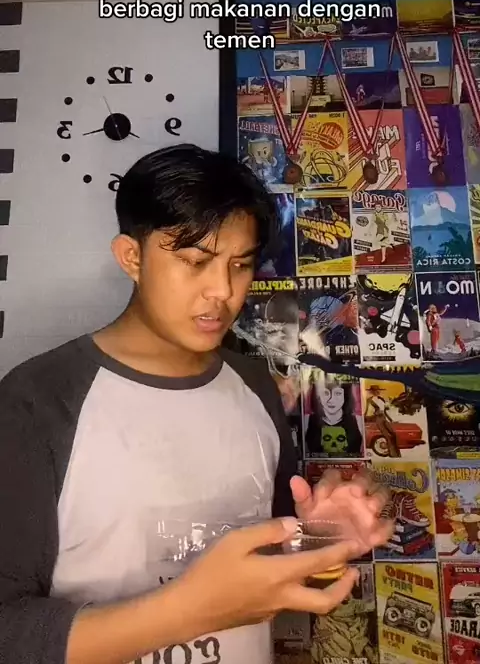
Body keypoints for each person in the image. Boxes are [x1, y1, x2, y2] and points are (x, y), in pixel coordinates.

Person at [0, 144, 392, 664]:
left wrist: (318, 540)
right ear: (132, 257)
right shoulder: (38, 398)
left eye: (239, 265)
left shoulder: (256, 386)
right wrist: (188, 612)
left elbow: (265, 569)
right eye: (194, 262)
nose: (221, 292)